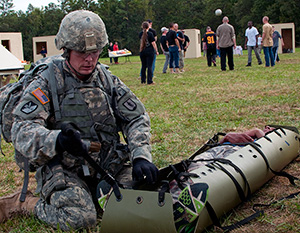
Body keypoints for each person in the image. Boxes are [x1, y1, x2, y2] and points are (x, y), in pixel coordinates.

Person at [0, 10, 158, 231]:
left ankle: (96, 194)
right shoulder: (47, 82)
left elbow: (136, 117)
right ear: (66, 50)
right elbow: (21, 128)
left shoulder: (105, 78)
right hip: (65, 169)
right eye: (81, 52)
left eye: (94, 52)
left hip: (106, 163)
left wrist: (140, 155)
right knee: (80, 219)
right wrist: (56, 140)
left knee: (152, 194)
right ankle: (25, 203)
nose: (90, 59)